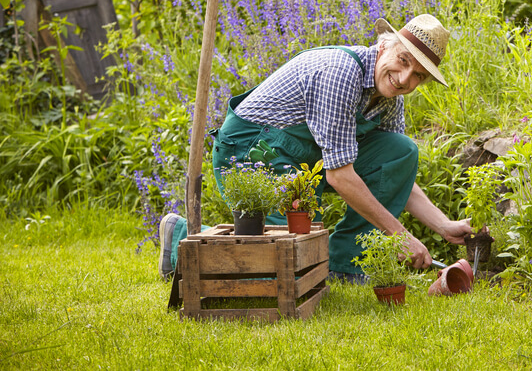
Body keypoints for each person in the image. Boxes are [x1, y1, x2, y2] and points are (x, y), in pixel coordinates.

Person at [158, 14, 472, 282]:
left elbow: (392, 173)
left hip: (304, 163)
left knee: (401, 151)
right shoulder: (340, 73)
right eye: (403, 61)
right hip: (253, 152)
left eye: (417, 75)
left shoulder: (389, 98)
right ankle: (181, 237)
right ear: (385, 44)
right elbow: (340, 176)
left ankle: (343, 266)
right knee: (285, 265)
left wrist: (442, 224)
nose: (404, 79)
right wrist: (401, 236)